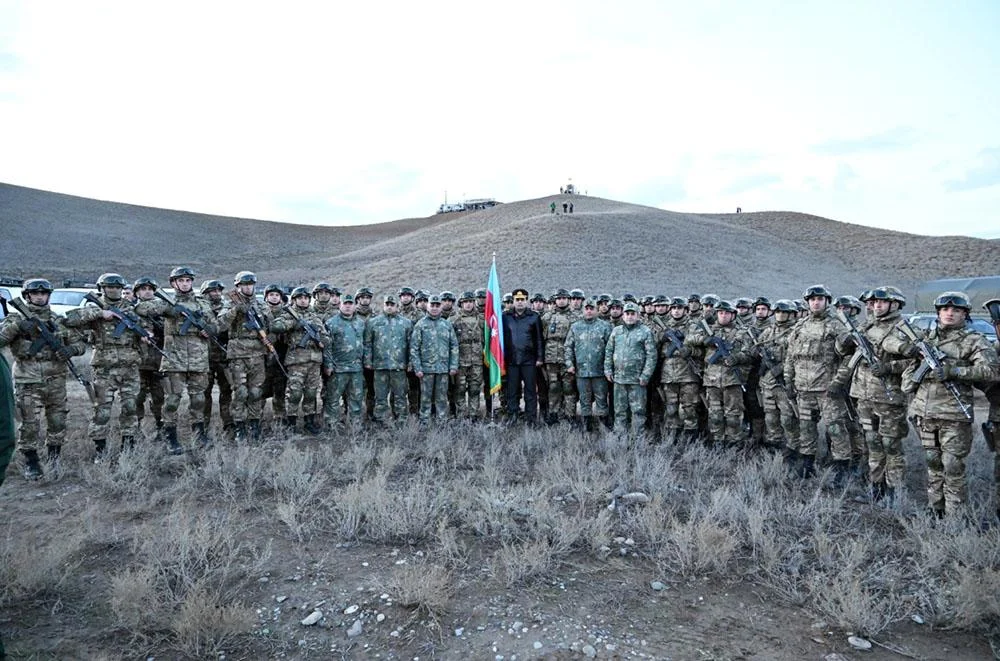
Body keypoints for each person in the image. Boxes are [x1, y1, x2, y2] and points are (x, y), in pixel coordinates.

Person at [901, 292, 999, 516]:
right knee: (933, 464)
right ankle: (935, 510)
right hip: (924, 413)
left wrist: (954, 371)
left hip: (954, 415)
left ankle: (955, 517)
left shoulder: (974, 340)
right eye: (945, 309)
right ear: (938, 312)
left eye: (956, 310)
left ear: (965, 314)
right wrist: (913, 376)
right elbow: (908, 371)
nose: (949, 313)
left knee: (953, 467)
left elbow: (991, 371)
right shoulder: (926, 339)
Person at [0, 278, 87, 478]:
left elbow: (80, 344)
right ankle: (31, 462)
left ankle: (54, 459)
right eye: (35, 294)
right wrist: (18, 328)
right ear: (27, 296)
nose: (39, 297)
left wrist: (70, 349)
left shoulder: (58, 320)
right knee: (29, 423)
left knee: (58, 421)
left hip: (56, 379)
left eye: (43, 293)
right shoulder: (15, 319)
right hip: (27, 380)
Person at [830, 288, 912, 494]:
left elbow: (914, 361)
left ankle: (895, 490)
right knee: (872, 443)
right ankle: (876, 485)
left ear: (896, 304)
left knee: (891, 446)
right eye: (874, 302)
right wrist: (846, 339)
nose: (877, 305)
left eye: (883, 302)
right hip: (863, 395)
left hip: (889, 397)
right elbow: (841, 352)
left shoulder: (903, 329)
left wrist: (888, 367)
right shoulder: (865, 326)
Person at [135, 266, 218, 454]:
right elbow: (141, 308)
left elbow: (215, 323)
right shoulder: (167, 303)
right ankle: (170, 437)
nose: (185, 284)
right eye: (181, 281)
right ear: (173, 283)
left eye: (188, 280)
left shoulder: (202, 303)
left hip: (198, 360)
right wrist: (170, 311)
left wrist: (210, 329)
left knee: (198, 400)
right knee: (172, 401)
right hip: (174, 360)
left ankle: (199, 435)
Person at [62, 272, 143, 459]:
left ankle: (128, 448)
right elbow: (70, 320)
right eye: (109, 287)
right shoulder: (94, 307)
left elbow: (144, 327)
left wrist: (145, 335)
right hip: (104, 369)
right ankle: (100, 450)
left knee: (130, 407)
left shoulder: (132, 309)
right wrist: (101, 313)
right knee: (102, 411)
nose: (113, 290)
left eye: (117, 287)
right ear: (102, 289)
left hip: (130, 367)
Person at [783, 285, 848, 478]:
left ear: (827, 301)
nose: (816, 302)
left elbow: (848, 358)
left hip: (827, 389)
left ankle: (841, 468)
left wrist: (839, 381)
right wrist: (788, 380)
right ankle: (806, 464)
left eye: (820, 299)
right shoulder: (800, 326)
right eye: (812, 299)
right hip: (803, 388)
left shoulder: (835, 325)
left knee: (835, 429)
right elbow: (790, 356)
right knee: (806, 428)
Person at [217, 272, 273, 442]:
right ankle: (239, 425)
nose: (248, 287)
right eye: (244, 284)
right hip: (238, 355)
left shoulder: (261, 304)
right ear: (238, 286)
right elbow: (220, 325)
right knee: (240, 392)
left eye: (250, 284)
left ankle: (254, 425)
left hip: (257, 353)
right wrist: (235, 311)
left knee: (256, 392)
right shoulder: (230, 303)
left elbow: (270, 325)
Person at [686, 301, 750, 446]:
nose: (723, 316)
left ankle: (734, 443)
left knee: (733, 416)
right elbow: (689, 339)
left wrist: (737, 358)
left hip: (732, 380)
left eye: (727, 313)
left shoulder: (742, 332)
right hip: (712, 379)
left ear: (733, 315)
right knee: (715, 415)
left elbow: (749, 354)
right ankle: (717, 442)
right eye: (720, 313)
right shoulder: (709, 330)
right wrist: (705, 340)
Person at [271, 287, 329, 434]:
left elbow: (327, 338)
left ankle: (309, 421)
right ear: (295, 300)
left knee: (311, 393)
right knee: (294, 393)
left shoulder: (314, 317)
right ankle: (291, 422)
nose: (303, 300)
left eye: (305, 298)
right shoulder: (288, 314)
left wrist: (320, 340)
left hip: (314, 361)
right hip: (296, 361)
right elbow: (275, 326)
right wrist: (293, 325)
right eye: (300, 298)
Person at [604, 302, 658, 438]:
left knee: (638, 411)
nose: (629, 316)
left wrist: (646, 375)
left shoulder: (645, 332)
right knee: (619, 411)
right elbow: (609, 351)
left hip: (637, 380)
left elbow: (652, 355)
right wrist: (608, 370)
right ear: (623, 315)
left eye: (632, 314)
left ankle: (637, 438)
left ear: (638, 315)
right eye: (627, 314)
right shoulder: (616, 331)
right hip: (619, 379)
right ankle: (620, 436)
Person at [754, 300, 800, 451]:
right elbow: (755, 349)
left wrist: (779, 369)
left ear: (791, 314)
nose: (780, 315)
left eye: (784, 312)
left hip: (784, 382)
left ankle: (793, 447)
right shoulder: (768, 331)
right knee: (770, 417)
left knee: (788, 418)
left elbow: (796, 357)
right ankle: (774, 444)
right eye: (778, 312)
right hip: (767, 383)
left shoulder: (794, 332)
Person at [657, 297, 702, 444]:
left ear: (685, 310)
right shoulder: (664, 326)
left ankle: (691, 439)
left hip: (688, 374)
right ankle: (672, 437)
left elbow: (702, 350)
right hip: (668, 375)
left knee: (689, 409)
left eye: (679, 308)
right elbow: (655, 345)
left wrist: (690, 351)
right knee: (670, 408)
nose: (676, 311)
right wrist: (662, 338)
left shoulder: (693, 326)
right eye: (674, 308)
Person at [363, 294, 412, 425]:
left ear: (397, 306)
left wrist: (410, 362)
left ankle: (401, 419)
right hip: (380, 366)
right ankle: (380, 419)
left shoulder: (406, 323)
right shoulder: (373, 322)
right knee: (380, 396)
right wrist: (368, 361)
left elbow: (410, 345)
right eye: (387, 304)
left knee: (400, 396)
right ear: (383, 305)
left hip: (399, 366)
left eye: (392, 305)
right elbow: (367, 343)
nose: (389, 307)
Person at [565, 298, 612, 431]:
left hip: (600, 372)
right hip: (581, 371)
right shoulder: (575, 327)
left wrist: (608, 368)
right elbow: (568, 347)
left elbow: (610, 349)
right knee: (584, 401)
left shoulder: (605, 326)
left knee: (601, 400)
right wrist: (569, 364)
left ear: (596, 310)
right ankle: (587, 427)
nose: (589, 311)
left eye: (592, 308)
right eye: (587, 308)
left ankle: (604, 426)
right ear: (583, 310)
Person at [410, 295, 458, 425]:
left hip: (443, 369)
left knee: (442, 398)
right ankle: (424, 421)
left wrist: (453, 366)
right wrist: (418, 368)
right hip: (426, 370)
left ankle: (442, 421)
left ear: (441, 306)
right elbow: (414, 348)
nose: (435, 308)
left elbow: (454, 345)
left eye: (438, 305)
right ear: (428, 306)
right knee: (425, 397)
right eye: (433, 305)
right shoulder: (420, 325)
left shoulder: (446, 324)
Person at [323, 293, 366, 427]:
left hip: (356, 368)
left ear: (354, 306)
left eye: (350, 304)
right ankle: (332, 423)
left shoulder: (360, 323)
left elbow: (366, 343)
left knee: (356, 398)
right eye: (345, 304)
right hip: (338, 368)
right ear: (340, 305)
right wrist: (328, 365)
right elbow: (327, 346)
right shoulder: (331, 323)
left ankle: (356, 423)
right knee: (333, 398)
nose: (347, 306)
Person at [502, 288, 544, 425]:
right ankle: (513, 415)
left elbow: (539, 339)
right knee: (512, 390)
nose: (520, 303)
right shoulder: (505, 317)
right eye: (517, 300)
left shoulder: (534, 317)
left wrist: (539, 358)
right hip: (512, 360)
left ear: (526, 301)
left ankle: (531, 418)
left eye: (522, 300)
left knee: (530, 391)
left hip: (529, 361)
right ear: (513, 301)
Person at [199, 279, 233, 436]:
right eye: (213, 291)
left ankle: (228, 423)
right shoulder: (200, 310)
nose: (217, 293)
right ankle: (204, 425)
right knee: (204, 394)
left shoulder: (226, 309)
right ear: (206, 293)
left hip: (223, 357)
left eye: (219, 291)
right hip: (204, 358)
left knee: (226, 392)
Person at [133, 276, 166, 439]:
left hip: (158, 361)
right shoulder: (132, 310)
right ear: (137, 292)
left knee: (159, 397)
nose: (147, 292)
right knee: (137, 397)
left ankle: (161, 428)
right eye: (143, 289)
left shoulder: (162, 311)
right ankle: (136, 429)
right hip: (138, 361)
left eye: (150, 289)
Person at [541, 289, 576, 424]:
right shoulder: (547, 317)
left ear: (568, 300)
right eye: (559, 298)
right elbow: (541, 337)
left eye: (564, 298)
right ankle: (553, 413)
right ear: (555, 300)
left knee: (569, 388)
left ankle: (570, 415)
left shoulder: (574, 317)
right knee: (553, 387)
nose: (561, 300)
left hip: (567, 358)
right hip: (550, 358)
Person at [451, 291, 484, 420]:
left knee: (475, 389)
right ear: (461, 304)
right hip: (460, 361)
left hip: (477, 360)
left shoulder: (481, 319)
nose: (469, 305)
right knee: (459, 389)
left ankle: (473, 414)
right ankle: (461, 415)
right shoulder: (454, 320)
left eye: (471, 302)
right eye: (466, 302)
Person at [261, 284, 289, 427]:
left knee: (280, 390)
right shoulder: (259, 311)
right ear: (266, 297)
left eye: (277, 295)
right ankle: (256, 418)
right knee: (260, 390)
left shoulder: (286, 313)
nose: (274, 297)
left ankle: (280, 417)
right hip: (263, 357)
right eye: (271, 295)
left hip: (281, 356)